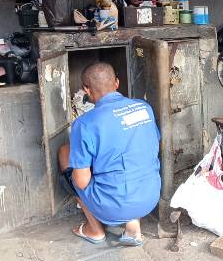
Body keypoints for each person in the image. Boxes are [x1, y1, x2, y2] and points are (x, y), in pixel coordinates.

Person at [58, 62, 161, 246]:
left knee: (65, 154)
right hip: (150, 197)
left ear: (86, 90)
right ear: (117, 83)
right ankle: (133, 223)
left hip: (114, 206)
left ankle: (95, 230)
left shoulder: (84, 124)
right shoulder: (144, 107)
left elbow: (81, 182)